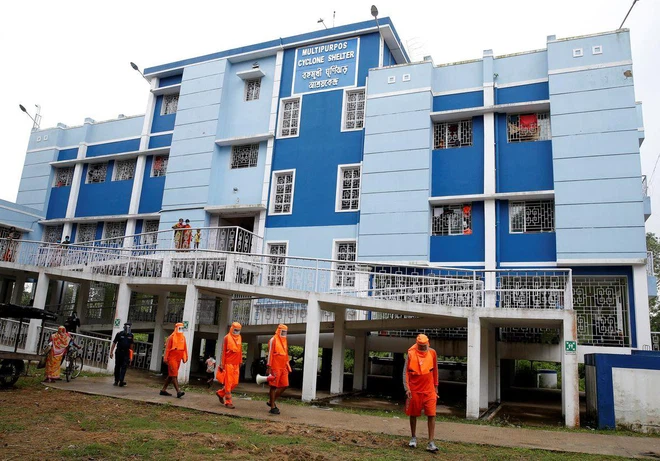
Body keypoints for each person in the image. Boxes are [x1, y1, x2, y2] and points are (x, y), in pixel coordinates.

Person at [404, 334, 440, 453]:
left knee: (432, 414)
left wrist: (436, 387)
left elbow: (435, 370)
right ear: (417, 344)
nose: (423, 348)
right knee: (413, 414)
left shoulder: (432, 353)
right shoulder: (410, 354)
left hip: (429, 389)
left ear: (428, 344)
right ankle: (413, 437)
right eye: (421, 346)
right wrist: (407, 388)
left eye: (425, 346)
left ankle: (431, 442)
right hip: (414, 389)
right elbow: (405, 373)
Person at [216, 322, 242, 409]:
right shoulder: (226, 338)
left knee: (235, 383)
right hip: (228, 364)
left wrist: (240, 361)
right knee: (228, 383)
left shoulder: (240, 337)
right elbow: (223, 352)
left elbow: (240, 350)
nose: (236, 332)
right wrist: (222, 364)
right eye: (235, 330)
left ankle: (220, 393)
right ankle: (228, 402)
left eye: (238, 330)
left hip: (236, 364)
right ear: (231, 329)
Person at [266, 324, 290, 415]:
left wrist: (287, 366)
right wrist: (269, 367)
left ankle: (271, 401)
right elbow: (270, 354)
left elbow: (286, 354)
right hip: (275, 367)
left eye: (285, 332)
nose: (284, 333)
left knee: (285, 385)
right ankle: (272, 406)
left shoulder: (285, 340)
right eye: (282, 332)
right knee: (273, 386)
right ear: (278, 331)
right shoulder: (273, 340)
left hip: (283, 367)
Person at [160, 322, 187, 398]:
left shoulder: (183, 338)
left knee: (171, 375)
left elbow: (184, 349)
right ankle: (178, 392)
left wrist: (185, 357)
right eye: (179, 328)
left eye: (182, 328)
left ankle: (163, 390)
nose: (181, 330)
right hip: (172, 358)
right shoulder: (171, 337)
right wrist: (165, 358)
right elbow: (167, 349)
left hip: (178, 359)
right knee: (174, 374)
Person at [110, 322, 134, 387]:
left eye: (129, 327)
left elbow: (131, 347)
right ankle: (116, 380)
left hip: (126, 353)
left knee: (124, 366)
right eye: (127, 327)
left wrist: (131, 357)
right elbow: (114, 343)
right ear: (124, 327)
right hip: (119, 352)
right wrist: (111, 352)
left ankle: (121, 381)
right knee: (117, 366)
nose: (128, 328)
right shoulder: (119, 334)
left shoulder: (131, 335)